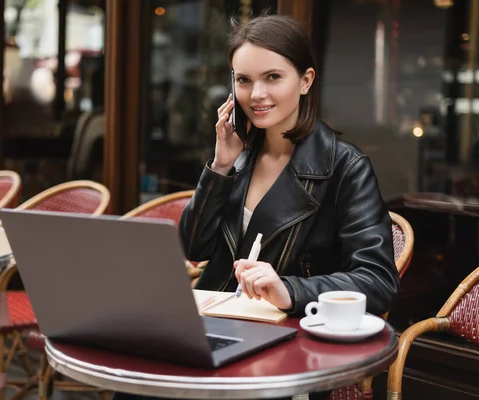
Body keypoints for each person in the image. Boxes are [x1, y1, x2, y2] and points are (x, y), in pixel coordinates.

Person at [114, 14, 398, 400]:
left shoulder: (346, 168)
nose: (256, 94)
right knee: (133, 382)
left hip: (283, 349)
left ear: (306, 81)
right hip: (211, 330)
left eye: (273, 77)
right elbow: (193, 248)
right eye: (243, 80)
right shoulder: (239, 157)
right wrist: (220, 169)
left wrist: (290, 290)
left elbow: (377, 281)